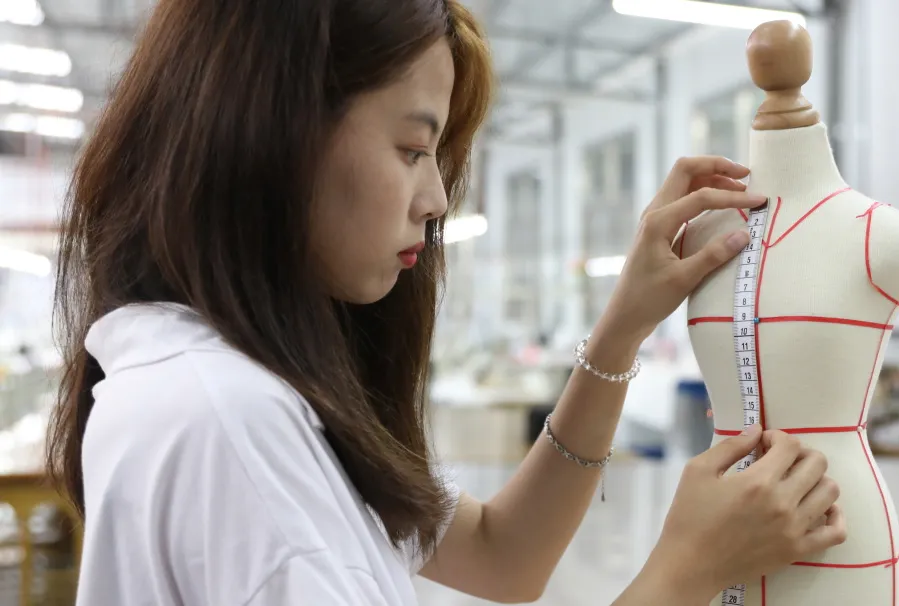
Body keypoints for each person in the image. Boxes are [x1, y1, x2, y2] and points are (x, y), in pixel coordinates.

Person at [44, 1, 846, 604]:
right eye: (411, 149)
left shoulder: (231, 388)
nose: (434, 200)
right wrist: (688, 570)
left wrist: (623, 325)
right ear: (271, 128)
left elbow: (504, 556)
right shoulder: (226, 424)